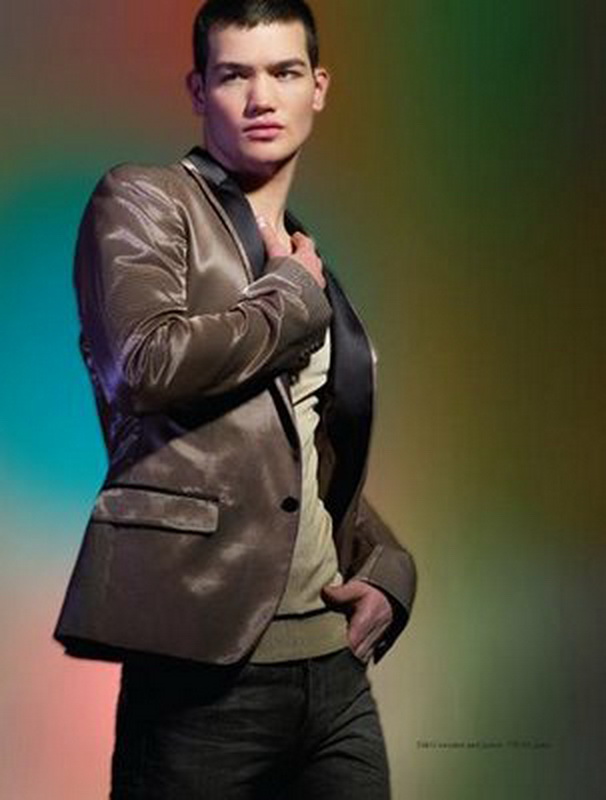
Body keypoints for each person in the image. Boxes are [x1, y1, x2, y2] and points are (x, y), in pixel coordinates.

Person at [53, 1, 417, 797]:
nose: (261, 98)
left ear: (318, 87)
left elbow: (300, 457)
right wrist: (291, 297)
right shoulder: (146, 201)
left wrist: (388, 568)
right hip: (201, 674)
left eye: (285, 72)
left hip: (334, 675)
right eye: (233, 76)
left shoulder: (304, 258)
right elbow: (142, 365)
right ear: (198, 90)